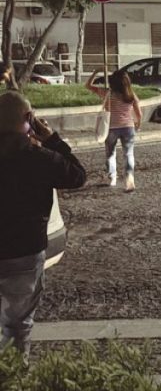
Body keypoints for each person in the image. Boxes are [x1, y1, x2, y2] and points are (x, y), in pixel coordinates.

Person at [0, 91, 86, 357]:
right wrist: (51, 140)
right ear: (29, 118)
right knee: (18, 325)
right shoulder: (40, 158)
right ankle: (13, 373)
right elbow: (77, 175)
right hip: (24, 252)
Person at [87, 69, 143, 191]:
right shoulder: (131, 95)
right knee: (128, 154)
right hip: (128, 127)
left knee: (110, 153)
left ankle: (112, 177)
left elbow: (88, 86)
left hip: (111, 128)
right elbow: (139, 114)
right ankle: (129, 178)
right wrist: (138, 125)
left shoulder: (107, 93)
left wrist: (95, 73)